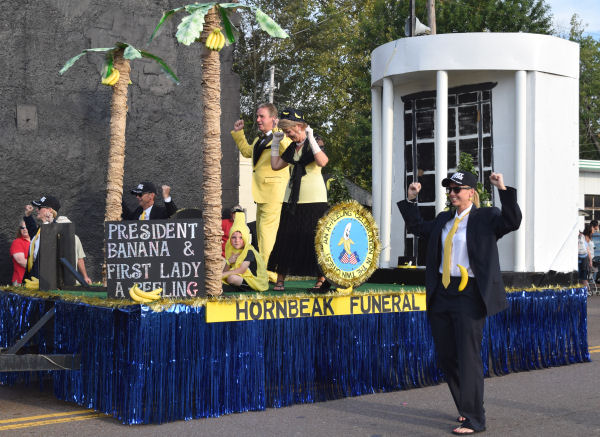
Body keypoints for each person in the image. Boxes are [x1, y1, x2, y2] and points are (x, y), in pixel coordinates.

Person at [397, 170, 521, 435]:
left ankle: (476, 418)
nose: (452, 194)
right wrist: (410, 200)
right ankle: (466, 408)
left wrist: (503, 189)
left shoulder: (487, 217)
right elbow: (418, 228)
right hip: (442, 293)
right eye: (449, 190)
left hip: (470, 294)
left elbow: (512, 221)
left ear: (471, 192)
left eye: (457, 189)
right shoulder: (444, 219)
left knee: (468, 357)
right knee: (447, 356)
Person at [268, 108, 330, 291]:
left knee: (314, 238)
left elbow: (323, 161)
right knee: (286, 236)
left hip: (314, 198)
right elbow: (276, 165)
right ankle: (280, 279)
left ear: (301, 126)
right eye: (286, 132)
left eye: (291, 131)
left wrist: (310, 138)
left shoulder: (315, 140)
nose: (289, 135)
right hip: (292, 198)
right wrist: (275, 143)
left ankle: (321, 278)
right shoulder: (293, 146)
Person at [231, 103, 291, 282]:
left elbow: (290, 150)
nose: (257, 120)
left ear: (273, 119)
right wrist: (239, 134)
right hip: (262, 195)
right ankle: (268, 272)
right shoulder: (260, 139)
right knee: (262, 236)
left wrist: (280, 134)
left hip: (274, 194)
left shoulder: (279, 137)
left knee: (266, 238)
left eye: (261, 116)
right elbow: (248, 152)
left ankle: (268, 274)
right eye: (257, 116)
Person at [222, 211, 268, 292]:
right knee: (224, 279)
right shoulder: (231, 249)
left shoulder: (249, 251)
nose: (237, 240)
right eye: (233, 237)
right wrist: (228, 262)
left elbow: (241, 270)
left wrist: (222, 275)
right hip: (238, 277)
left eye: (240, 237)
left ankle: (246, 288)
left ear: (245, 238)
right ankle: (234, 287)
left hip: (254, 281)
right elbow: (225, 271)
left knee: (231, 278)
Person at [23, 195, 61, 280]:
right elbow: (33, 233)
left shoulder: (55, 228)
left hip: (45, 280)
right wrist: (28, 216)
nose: (37, 209)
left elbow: (55, 243)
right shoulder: (42, 228)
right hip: (33, 276)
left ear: (49, 210)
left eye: (39, 207)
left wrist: (52, 223)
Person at [55, 216, 92, 285]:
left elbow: (80, 259)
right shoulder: (53, 238)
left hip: (71, 278)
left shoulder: (75, 238)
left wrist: (85, 277)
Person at [10, 220, 30, 286]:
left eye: (26, 227)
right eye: (22, 228)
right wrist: (38, 268)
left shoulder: (36, 242)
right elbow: (21, 261)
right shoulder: (17, 242)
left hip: (35, 281)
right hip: (20, 281)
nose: (24, 229)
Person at [578, 224, 593, 290]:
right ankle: (581, 290)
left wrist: (590, 260)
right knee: (579, 275)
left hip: (584, 257)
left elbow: (587, 249)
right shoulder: (580, 237)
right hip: (580, 257)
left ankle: (585, 290)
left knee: (583, 275)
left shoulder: (584, 237)